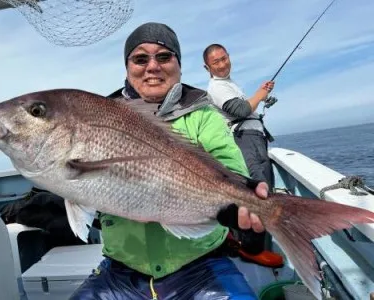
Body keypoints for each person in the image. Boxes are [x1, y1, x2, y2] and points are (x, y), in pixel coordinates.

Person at [69, 22, 269, 300]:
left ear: (179, 65)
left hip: (202, 264)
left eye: (164, 57)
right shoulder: (101, 118)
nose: (152, 66)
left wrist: (245, 198)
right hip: (120, 270)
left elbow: (231, 170)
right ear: (127, 68)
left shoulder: (203, 114)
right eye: (140, 59)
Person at [203, 44, 275, 191]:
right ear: (207, 67)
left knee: (267, 182)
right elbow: (241, 110)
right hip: (245, 140)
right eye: (216, 62)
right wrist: (260, 94)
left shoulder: (229, 84)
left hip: (255, 139)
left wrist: (261, 95)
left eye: (224, 58)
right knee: (260, 185)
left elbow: (247, 105)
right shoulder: (216, 87)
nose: (222, 64)